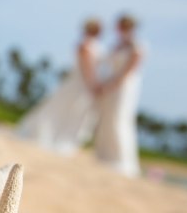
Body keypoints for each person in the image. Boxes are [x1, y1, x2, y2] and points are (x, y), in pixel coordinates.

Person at [17, 18, 103, 154]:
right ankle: (56, 138)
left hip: (82, 84)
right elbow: (87, 68)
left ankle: (61, 139)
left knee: (71, 111)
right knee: (67, 110)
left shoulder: (93, 46)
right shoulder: (85, 45)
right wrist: (93, 85)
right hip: (80, 84)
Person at [94, 14, 144, 177]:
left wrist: (111, 85)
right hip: (110, 84)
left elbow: (128, 72)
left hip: (124, 88)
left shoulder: (137, 47)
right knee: (107, 119)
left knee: (120, 119)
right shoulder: (117, 46)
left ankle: (121, 160)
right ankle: (105, 155)